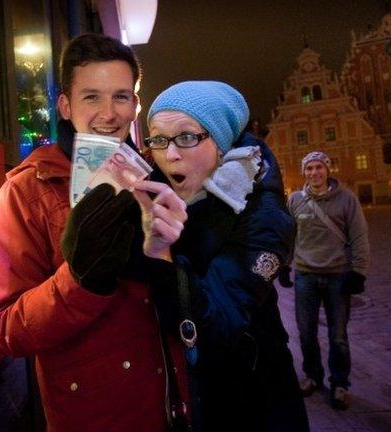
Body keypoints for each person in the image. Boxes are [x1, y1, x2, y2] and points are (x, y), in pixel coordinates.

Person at [0, 33, 188, 432]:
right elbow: (6, 328)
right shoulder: (27, 191)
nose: (109, 114)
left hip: (169, 398)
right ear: (65, 105)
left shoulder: (155, 174)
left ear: (135, 104)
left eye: (121, 96)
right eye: (92, 97)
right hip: (95, 415)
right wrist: (80, 280)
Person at [134, 81, 309, 431]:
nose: (169, 155)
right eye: (158, 139)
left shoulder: (264, 217)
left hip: (253, 403)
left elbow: (213, 328)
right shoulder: (156, 192)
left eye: (186, 137)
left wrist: (159, 254)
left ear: (222, 142)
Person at [287, 151, 369, 410]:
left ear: (327, 170)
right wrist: (283, 264)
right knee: (306, 333)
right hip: (305, 275)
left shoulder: (346, 199)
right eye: (309, 168)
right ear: (304, 172)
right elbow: (289, 236)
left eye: (319, 167)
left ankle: (340, 383)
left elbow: (359, 237)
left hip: (338, 275)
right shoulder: (295, 200)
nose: (314, 173)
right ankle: (312, 375)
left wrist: (359, 272)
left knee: (338, 336)